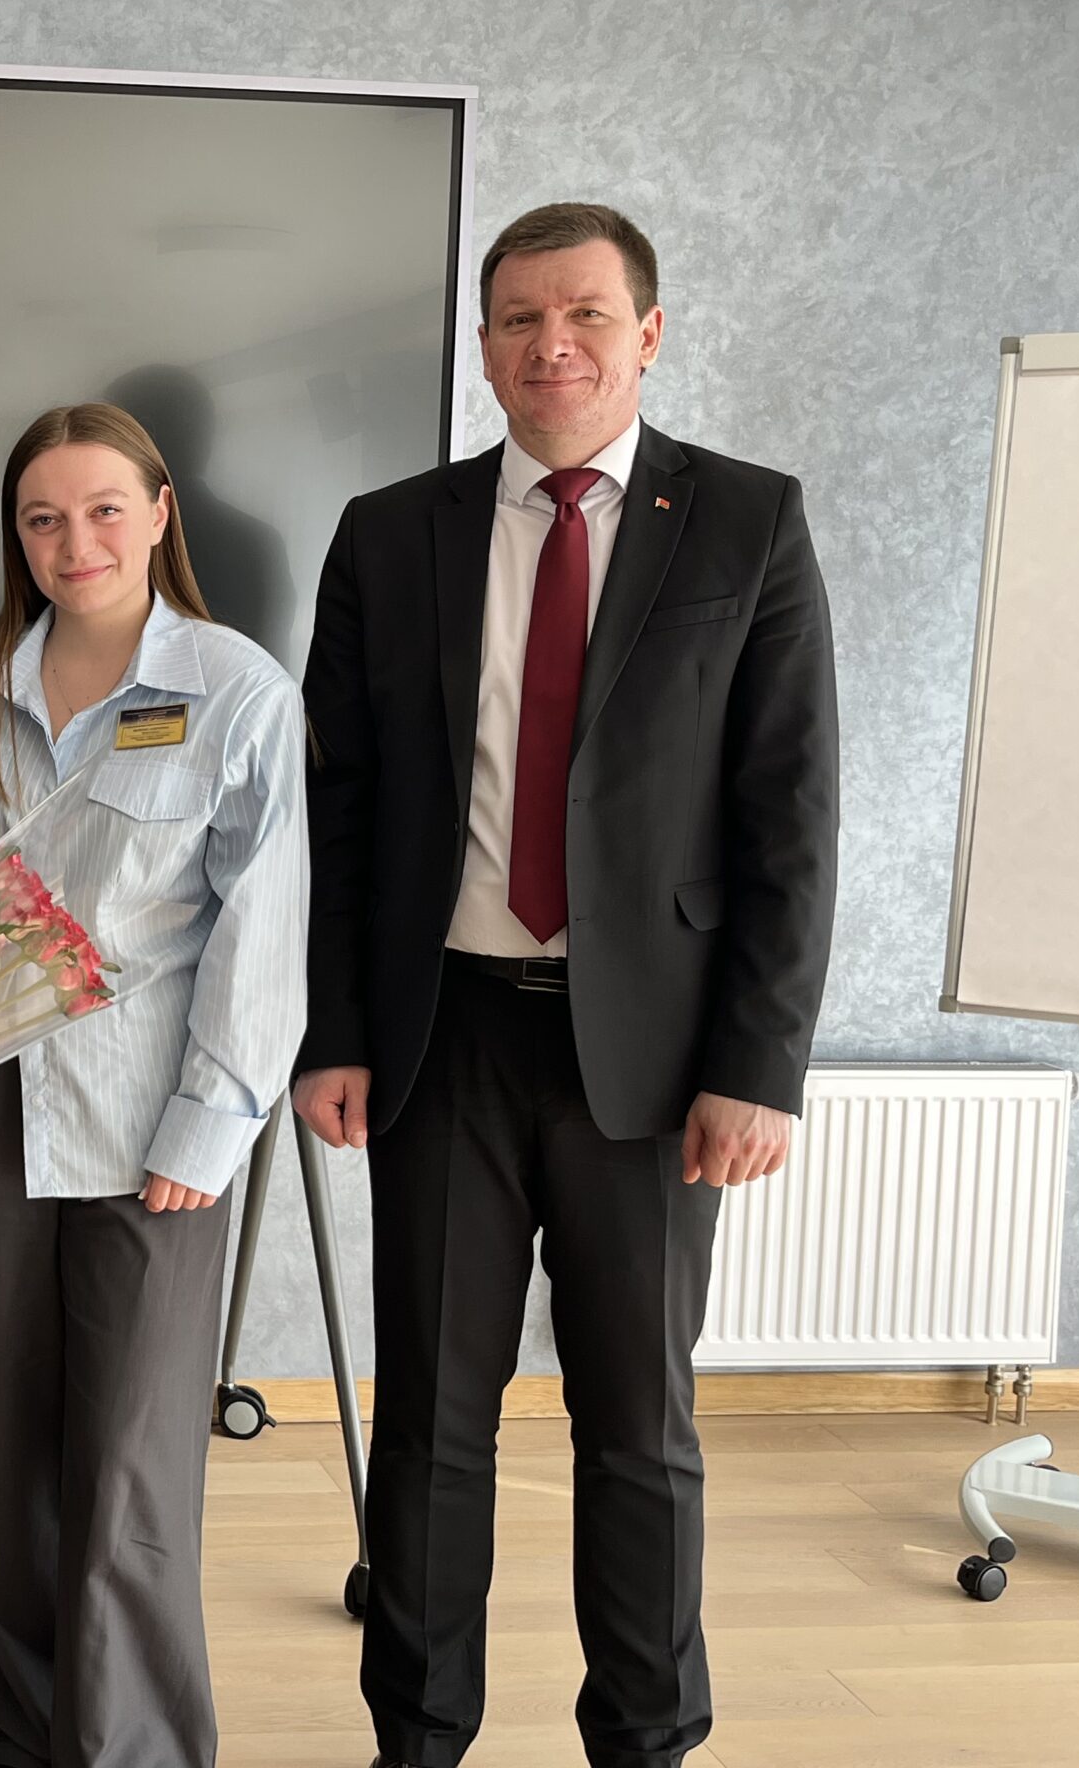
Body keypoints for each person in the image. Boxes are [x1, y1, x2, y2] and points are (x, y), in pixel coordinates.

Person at [292, 203, 840, 1768]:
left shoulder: (745, 520)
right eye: (521, 319)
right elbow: (339, 809)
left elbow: (792, 815)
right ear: (483, 346)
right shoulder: (388, 532)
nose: (554, 345)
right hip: (441, 1039)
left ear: (646, 334)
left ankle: (649, 1740)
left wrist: (759, 1066)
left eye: (587, 314)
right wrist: (333, 1032)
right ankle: (417, 1738)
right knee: (430, 1426)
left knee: (641, 1430)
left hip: (657, 1063)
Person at [0, 402, 308, 1768]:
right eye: (42, 518)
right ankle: (26, 1739)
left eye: (102, 509)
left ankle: (133, 1751)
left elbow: (264, 928)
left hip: (151, 1134)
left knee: (129, 1476)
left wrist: (212, 1122)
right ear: (15, 536)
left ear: (160, 511)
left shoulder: (237, 690)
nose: (74, 541)